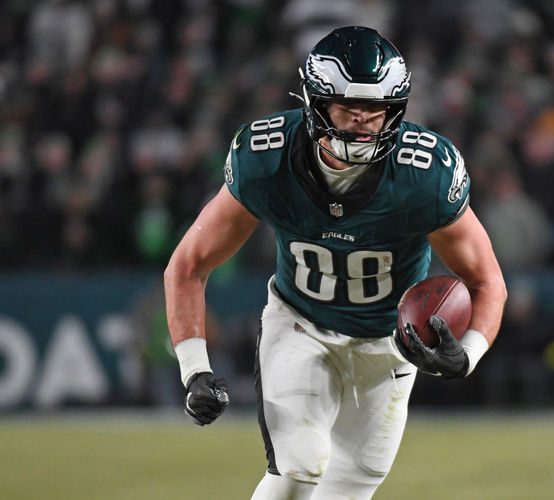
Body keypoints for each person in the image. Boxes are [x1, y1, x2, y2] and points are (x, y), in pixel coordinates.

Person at [164, 26, 507, 500]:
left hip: (390, 343)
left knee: (352, 485)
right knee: (301, 465)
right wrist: (195, 370)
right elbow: (188, 264)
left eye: (375, 112)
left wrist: (467, 353)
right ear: (315, 103)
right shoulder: (266, 159)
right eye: (348, 109)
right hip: (300, 324)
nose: (362, 123)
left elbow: (487, 280)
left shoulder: (425, 175)